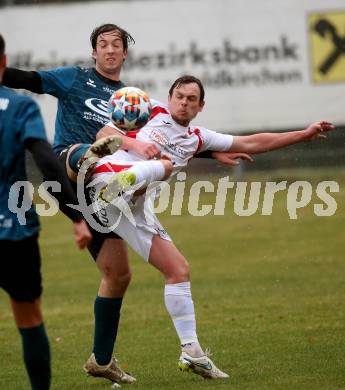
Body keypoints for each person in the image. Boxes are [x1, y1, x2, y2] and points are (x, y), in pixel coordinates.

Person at [2, 24, 244, 385]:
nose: (111, 50)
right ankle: (103, 157)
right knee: (99, 155)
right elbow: (28, 79)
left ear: (125, 53)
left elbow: (160, 136)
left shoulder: (133, 97)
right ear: (94, 53)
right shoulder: (73, 79)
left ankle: (101, 360)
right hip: (74, 172)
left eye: (117, 44)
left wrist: (209, 152)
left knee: (118, 275)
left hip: (107, 192)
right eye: (103, 44)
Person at [86, 75, 336, 380]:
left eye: (192, 99)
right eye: (179, 95)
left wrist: (303, 134)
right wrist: (134, 142)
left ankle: (191, 352)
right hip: (106, 180)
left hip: (133, 208)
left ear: (200, 106)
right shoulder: (149, 110)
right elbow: (105, 132)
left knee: (178, 269)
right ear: (170, 97)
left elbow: (254, 142)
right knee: (158, 167)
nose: (184, 102)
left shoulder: (198, 138)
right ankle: (116, 185)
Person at [0, 34, 92, 390]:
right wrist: (77, 217)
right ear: (4, 63)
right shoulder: (20, 107)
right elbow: (46, 162)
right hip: (14, 230)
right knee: (28, 315)